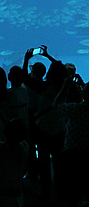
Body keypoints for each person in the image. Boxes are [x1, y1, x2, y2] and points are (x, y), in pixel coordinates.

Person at [22, 46, 66, 202]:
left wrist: (26, 59)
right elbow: (61, 69)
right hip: (60, 130)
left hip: (44, 130)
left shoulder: (44, 87)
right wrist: (48, 56)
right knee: (59, 162)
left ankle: (45, 191)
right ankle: (61, 190)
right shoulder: (66, 87)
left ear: (50, 73)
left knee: (44, 162)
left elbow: (25, 78)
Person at [53, 74, 89, 206]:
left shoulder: (77, 108)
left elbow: (56, 105)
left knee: (73, 184)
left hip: (73, 152)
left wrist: (65, 88)